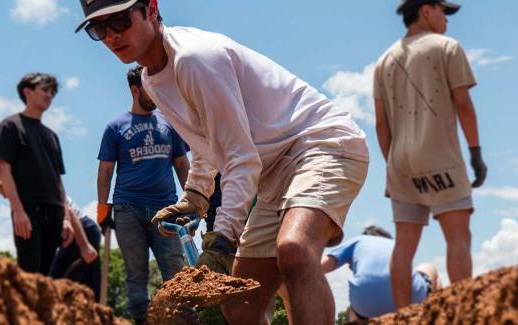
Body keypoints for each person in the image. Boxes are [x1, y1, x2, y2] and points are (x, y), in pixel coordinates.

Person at [75, 1, 370, 323]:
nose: (111, 36)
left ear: (151, 8)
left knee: (295, 250)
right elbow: (206, 140)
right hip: (271, 174)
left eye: (119, 20)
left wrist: (222, 241)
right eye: (98, 29)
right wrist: (196, 195)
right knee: (240, 304)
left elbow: (240, 159)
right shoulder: (151, 78)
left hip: (320, 143)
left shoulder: (195, 59)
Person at [374, 0, 486, 308]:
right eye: (443, 12)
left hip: (399, 160)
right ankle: (464, 310)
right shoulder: (447, 47)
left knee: (404, 245)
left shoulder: (383, 60)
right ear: (426, 10)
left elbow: (381, 123)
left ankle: (402, 315)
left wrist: (393, 162)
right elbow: (462, 103)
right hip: (441, 156)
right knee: (458, 236)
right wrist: (475, 152)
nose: (447, 20)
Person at [95, 66, 190, 324]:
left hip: (166, 211)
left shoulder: (169, 122)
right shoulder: (116, 127)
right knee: (136, 275)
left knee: (176, 272)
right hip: (128, 209)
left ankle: (184, 321)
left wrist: (192, 199)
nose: (156, 94)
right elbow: (105, 171)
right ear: (135, 90)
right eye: (149, 89)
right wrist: (103, 208)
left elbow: (182, 164)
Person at [0, 72, 74, 275]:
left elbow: (59, 180)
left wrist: (66, 218)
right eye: (44, 90)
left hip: (55, 211)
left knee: (46, 276)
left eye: (52, 92)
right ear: (27, 92)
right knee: (29, 273)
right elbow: (4, 169)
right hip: (28, 210)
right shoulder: (10, 126)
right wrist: (18, 211)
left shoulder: (52, 136)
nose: (49, 95)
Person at [0, 163, 99, 297]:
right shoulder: (21, 199)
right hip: (78, 234)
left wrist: (84, 245)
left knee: (54, 286)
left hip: (81, 231)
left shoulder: (31, 190)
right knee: (69, 289)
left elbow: (69, 211)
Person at [321, 226, 440, 321]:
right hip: (413, 298)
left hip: (365, 305)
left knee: (353, 312)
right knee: (429, 268)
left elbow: (320, 266)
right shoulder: (397, 244)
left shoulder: (359, 240)